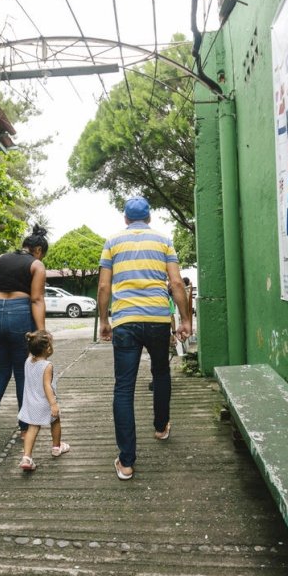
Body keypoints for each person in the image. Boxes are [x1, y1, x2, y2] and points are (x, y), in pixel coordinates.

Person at [98, 197, 191, 480]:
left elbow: (103, 285)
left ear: (126, 219)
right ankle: (161, 427)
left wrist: (104, 320)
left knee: (123, 388)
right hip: (157, 321)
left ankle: (126, 462)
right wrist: (185, 319)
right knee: (161, 372)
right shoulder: (164, 241)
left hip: (125, 321)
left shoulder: (112, 242)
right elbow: (176, 283)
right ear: (149, 218)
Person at [0, 225, 49, 441]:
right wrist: (41, 332)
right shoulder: (36, 265)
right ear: (37, 250)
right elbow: (36, 299)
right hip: (19, 313)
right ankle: (24, 427)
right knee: (22, 373)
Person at [17, 330, 70, 471]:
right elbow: (47, 386)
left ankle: (26, 457)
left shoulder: (28, 361)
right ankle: (56, 447)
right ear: (48, 349)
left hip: (31, 403)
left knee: (32, 428)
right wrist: (53, 404)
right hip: (45, 402)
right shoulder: (47, 365)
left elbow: (32, 352)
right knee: (56, 420)